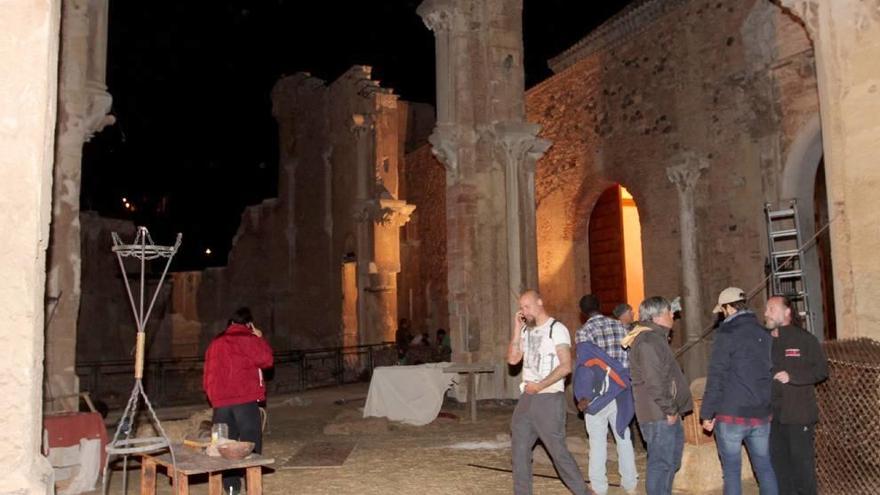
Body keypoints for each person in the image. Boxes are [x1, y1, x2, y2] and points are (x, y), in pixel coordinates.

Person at [507, 290, 589, 495]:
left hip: (549, 397)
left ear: (540, 303)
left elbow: (566, 366)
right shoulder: (526, 330)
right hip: (527, 397)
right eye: (522, 308)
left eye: (528, 306)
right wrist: (517, 329)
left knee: (557, 451)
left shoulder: (556, 329)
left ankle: (583, 492)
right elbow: (512, 360)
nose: (524, 312)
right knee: (519, 450)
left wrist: (541, 385)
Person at [700, 288, 778, 495]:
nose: (723, 314)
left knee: (732, 471)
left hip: (731, 413)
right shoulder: (765, 333)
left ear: (728, 307)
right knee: (764, 467)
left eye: (723, 310)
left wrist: (707, 413)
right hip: (761, 413)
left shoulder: (726, 334)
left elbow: (717, 375)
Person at [622, 296, 692, 495]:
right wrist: (669, 409)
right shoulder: (648, 341)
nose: (673, 315)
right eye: (670, 312)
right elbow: (654, 381)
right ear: (658, 316)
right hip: (658, 414)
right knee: (661, 465)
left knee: (670, 463)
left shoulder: (655, 338)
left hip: (664, 412)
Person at [203, 307, 274, 493]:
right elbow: (267, 360)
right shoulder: (249, 339)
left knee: (225, 445)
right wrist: (259, 337)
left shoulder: (215, 343)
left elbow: (208, 373)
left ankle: (232, 487)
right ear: (249, 324)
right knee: (251, 441)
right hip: (245, 399)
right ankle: (253, 484)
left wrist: (213, 397)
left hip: (221, 402)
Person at [575, 294, 638, 495]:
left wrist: (582, 395)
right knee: (623, 436)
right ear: (601, 306)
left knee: (597, 442)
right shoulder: (620, 327)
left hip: (598, 395)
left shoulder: (584, 332)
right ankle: (630, 484)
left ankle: (599, 487)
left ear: (583, 313)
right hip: (620, 390)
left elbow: (585, 367)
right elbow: (629, 357)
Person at [765, 295, 828, 495]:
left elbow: (821, 371)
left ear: (787, 312)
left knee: (802, 470)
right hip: (774, 418)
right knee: (781, 470)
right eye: (766, 309)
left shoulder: (805, 339)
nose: (766, 313)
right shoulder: (766, 342)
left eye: (772, 309)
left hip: (799, 416)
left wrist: (793, 376)